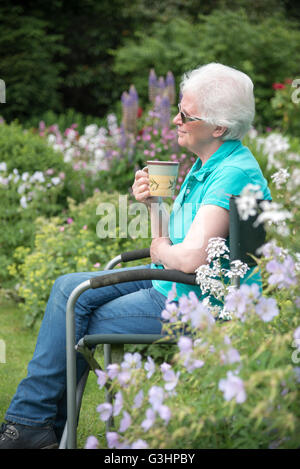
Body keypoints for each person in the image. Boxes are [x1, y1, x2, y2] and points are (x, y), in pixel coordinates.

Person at [0, 63, 271, 449]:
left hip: (194, 300)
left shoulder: (232, 173)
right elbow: (174, 244)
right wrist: (155, 204)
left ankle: (29, 427)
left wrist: (161, 249)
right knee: (66, 289)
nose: (174, 119)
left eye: (185, 114)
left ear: (218, 128)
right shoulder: (207, 166)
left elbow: (191, 258)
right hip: (173, 281)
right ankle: (35, 426)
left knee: (75, 311)